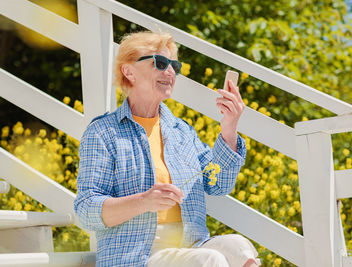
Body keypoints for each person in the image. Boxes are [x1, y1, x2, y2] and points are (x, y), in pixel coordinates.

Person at [74, 31, 260, 267]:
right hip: (137, 255)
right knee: (210, 260)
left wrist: (230, 128)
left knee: (239, 248)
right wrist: (143, 201)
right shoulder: (103, 132)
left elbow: (218, 183)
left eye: (174, 65)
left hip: (190, 247)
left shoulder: (181, 131)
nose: (170, 71)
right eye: (160, 63)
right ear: (128, 71)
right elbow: (86, 209)